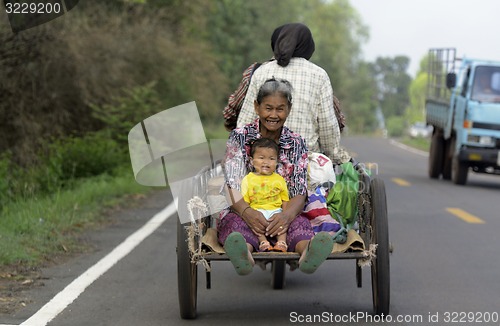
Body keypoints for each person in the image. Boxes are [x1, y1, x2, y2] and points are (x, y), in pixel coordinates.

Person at [219, 78, 334, 275]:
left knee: (300, 225)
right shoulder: (240, 136)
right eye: (268, 108)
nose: (273, 115)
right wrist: (248, 213)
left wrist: (286, 216)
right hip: (245, 207)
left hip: (283, 208)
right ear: (257, 107)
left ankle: (307, 253)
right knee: (235, 226)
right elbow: (231, 184)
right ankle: (244, 255)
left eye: (280, 109)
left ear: (289, 109)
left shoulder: (296, 142)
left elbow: (298, 189)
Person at [237, 23, 351, 164]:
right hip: (304, 161)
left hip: (262, 161)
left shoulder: (261, 72)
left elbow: (244, 123)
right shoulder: (319, 75)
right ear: (308, 46)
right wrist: (336, 156)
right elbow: (327, 127)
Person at [241, 137, 289, 252]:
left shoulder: (279, 179)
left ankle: (282, 242)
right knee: (256, 228)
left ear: (277, 162)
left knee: (282, 227)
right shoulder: (248, 179)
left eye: (271, 159)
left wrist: (285, 214)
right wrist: (250, 212)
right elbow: (246, 201)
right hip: (257, 210)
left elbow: (285, 199)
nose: (266, 162)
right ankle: (263, 241)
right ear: (252, 161)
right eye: (261, 158)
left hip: (275, 210)